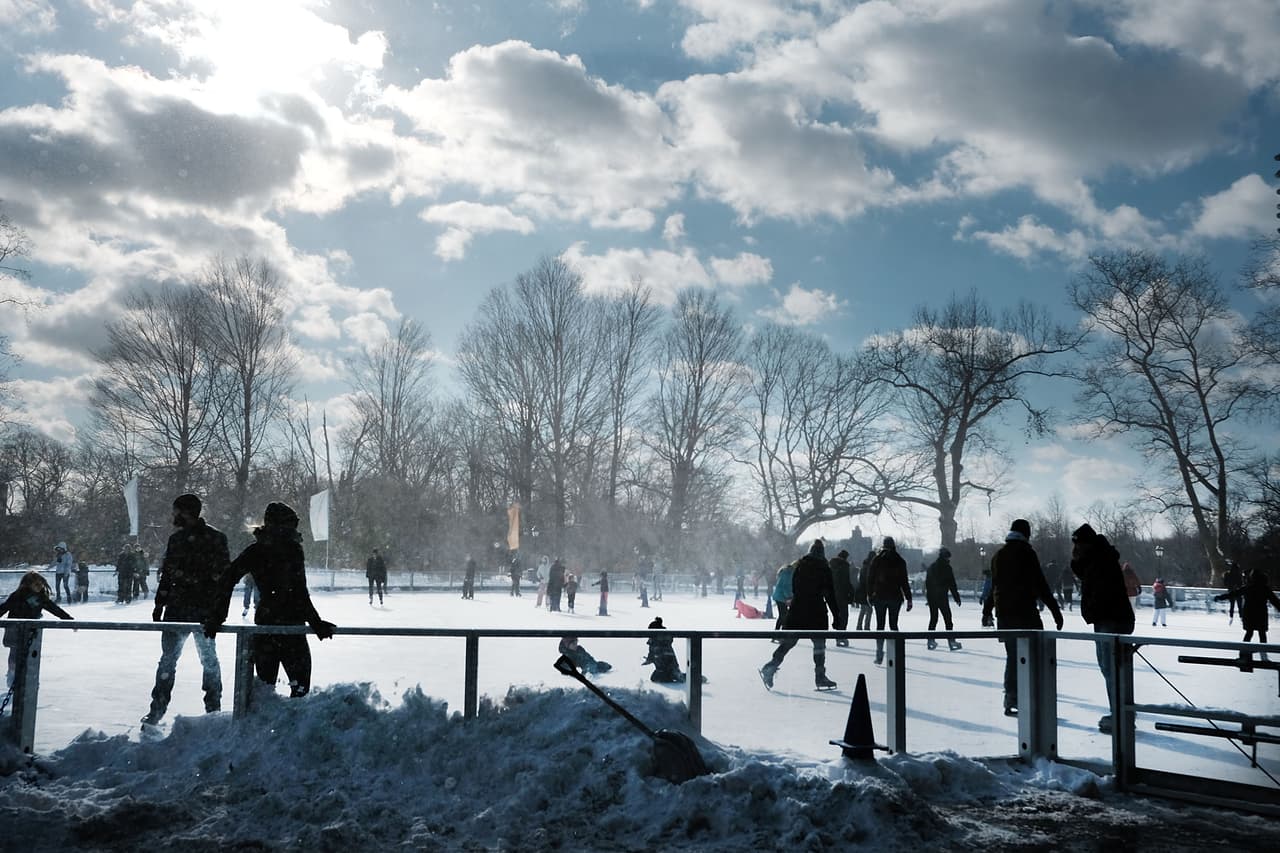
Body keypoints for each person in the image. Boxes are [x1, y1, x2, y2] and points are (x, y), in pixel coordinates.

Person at [205, 502, 336, 699]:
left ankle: (268, 727)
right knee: (296, 689)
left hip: (269, 625)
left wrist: (217, 616)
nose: (295, 530)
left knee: (268, 690)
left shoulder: (259, 550)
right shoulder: (288, 550)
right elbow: (298, 591)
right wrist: (315, 622)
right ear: (280, 525)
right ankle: (290, 728)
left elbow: (227, 579)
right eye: (291, 525)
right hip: (287, 626)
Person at [141, 493, 230, 728]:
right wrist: (160, 603)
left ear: (186, 512)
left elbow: (217, 576)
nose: (173, 516)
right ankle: (211, 708)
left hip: (191, 609)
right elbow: (170, 573)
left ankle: (165, 709)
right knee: (199, 660)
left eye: (176, 511)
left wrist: (163, 601)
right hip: (192, 609)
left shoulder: (199, 539)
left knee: (178, 660)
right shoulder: (201, 539)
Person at [982, 519, 1063, 716]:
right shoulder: (1027, 553)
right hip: (1025, 612)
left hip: (1004, 615)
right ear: (1026, 534)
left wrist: (986, 611)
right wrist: (1054, 610)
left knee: (1012, 657)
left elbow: (994, 587)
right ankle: (1033, 696)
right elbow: (1040, 584)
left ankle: (1011, 697)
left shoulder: (998, 555)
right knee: (1035, 653)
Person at [1069, 523, 1135, 733]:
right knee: (1114, 669)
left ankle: (1120, 715)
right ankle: (1122, 713)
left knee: (1111, 669)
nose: (1076, 549)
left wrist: (1092, 610)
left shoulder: (1099, 560)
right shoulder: (1101, 556)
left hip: (1109, 619)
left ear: (1085, 544)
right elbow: (1082, 572)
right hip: (1113, 618)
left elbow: (1097, 588)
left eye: (1077, 545)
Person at [759, 540, 839, 690]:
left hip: (798, 610)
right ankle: (820, 676)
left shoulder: (800, 566)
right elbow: (830, 594)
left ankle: (771, 666)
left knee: (789, 642)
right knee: (819, 645)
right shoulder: (824, 568)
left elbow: (795, 587)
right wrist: (837, 616)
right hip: (816, 612)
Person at [0, 571, 72, 690]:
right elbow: (4, 608)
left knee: (30, 654)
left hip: (31, 630)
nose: (40, 587)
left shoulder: (41, 598)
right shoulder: (17, 596)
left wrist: (68, 619)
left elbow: (54, 609)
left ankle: (30, 679)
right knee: (14, 653)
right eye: (36, 584)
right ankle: (12, 674)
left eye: (41, 584)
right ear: (28, 584)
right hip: (15, 629)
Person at [867, 537, 913, 666]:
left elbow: (870, 579)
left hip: (880, 596)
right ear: (894, 546)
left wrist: (869, 595)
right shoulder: (899, 561)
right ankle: (894, 654)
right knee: (894, 625)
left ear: (883, 546)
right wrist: (909, 598)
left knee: (880, 626)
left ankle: (879, 653)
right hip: (895, 597)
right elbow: (904, 582)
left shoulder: (877, 560)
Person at [1215, 569, 1280, 652]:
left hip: (1249, 614)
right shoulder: (1265, 588)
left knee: (1249, 633)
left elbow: (1234, 594)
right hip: (1261, 614)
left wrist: (1220, 597)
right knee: (1262, 634)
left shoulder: (1248, 588)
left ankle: (1244, 651)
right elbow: (1275, 601)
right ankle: (1263, 652)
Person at [924, 547, 962, 651]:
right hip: (942, 597)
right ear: (946, 557)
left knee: (933, 618)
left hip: (932, 597)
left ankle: (930, 640)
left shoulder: (932, 567)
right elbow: (952, 584)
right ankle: (951, 641)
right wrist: (956, 598)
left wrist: (928, 597)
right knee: (948, 619)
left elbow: (927, 583)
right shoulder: (947, 568)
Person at [642, 617, 686, 683]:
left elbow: (669, 659)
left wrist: (671, 670)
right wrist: (649, 659)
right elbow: (652, 653)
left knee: (661, 678)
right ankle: (672, 676)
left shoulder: (663, 644)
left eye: (650, 632)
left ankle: (689, 677)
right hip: (661, 669)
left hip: (669, 669)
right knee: (654, 678)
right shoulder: (653, 643)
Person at [829, 549, 854, 647]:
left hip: (832, 594)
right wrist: (851, 594)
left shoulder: (831, 565)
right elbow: (846, 581)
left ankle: (838, 635)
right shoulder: (844, 566)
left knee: (837, 615)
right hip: (842, 594)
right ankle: (841, 636)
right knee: (844, 616)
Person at [771, 561, 795, 632]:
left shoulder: (786, 573)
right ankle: (780, 634)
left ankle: (778, 633)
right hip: (781, 597)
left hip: (780, 597)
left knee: (783, 615)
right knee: (784, 616)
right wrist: (789, 597)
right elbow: (785, 587)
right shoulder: (788, 574)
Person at [854, 551, 873, 631]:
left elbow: (861, 579)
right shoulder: (870, 567)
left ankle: (859, 626)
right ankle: (866, 626)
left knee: (863, 609)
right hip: (867, 591)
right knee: (869, 610)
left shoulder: (863, 566)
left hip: (862, 590)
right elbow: (868, 580)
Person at [1222, 560, 1243, 625]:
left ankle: (1231, 617)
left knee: (1232, 605)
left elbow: (1225, 583)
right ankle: (1241, 618)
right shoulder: (1239, 574)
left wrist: (1230, 587)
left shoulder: (1227, 574)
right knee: (1239, 605)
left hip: (1231, 591)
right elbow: (1241, 583)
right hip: (1238, 591)